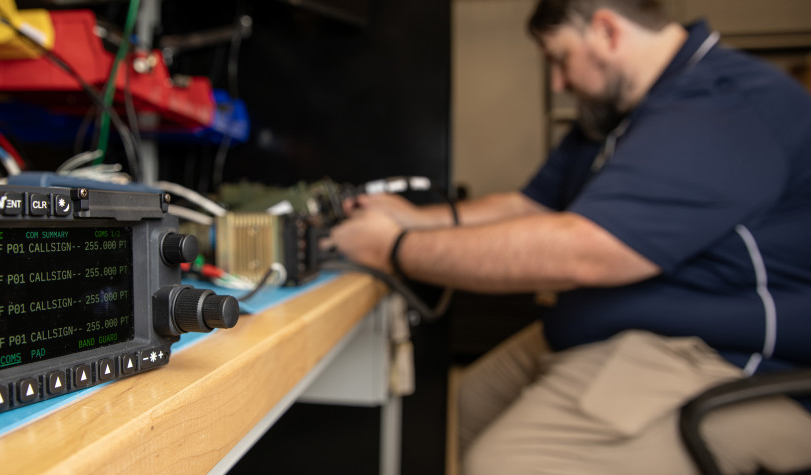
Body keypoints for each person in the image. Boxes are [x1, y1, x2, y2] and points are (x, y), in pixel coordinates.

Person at [325, 0, 811, 473]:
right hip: (620, 333)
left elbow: (586, 251)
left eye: (560, 59)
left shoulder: (721, 107)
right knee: (465, 404)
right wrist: (414, 219)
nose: (558, 82)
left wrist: (392, 248)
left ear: (607, 30)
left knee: (507, 464)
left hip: (719, 358)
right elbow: (526, 206)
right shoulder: (619, 111)